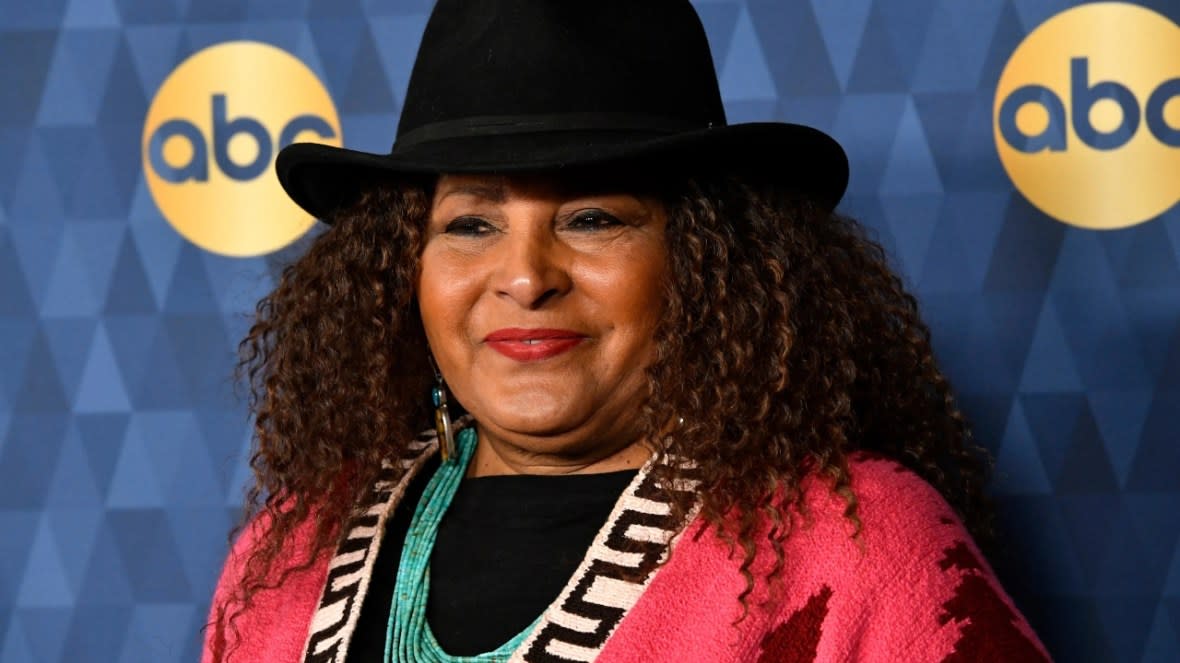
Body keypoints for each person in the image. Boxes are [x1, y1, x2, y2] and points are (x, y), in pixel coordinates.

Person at [201, 1, 1052, 661]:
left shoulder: (857, 541)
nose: (527, 276)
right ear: (402, 269)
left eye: (593, 216)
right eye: (470, 225)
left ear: (706, 261)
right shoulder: (290, 551)